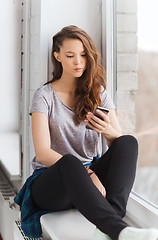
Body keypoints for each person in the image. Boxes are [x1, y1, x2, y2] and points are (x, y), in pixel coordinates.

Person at [14, 25, 158, 240]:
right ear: (57, 56)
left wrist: (107, 130)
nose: (78, 62)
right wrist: (89, 174)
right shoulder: (44, 96)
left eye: (83, 55)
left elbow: (117, 144)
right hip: (52, 183)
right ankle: (119, 231)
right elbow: (43, 153)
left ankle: (108, 226)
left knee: (128, 142)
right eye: (70, 55)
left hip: (89, 183)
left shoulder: (98, 92)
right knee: (70, 162)